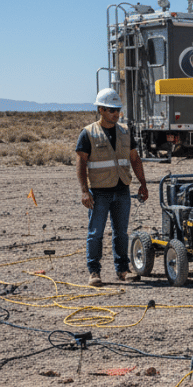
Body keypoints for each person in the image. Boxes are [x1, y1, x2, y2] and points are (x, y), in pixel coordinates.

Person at [75, 89, 149, 286]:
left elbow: (134, 159)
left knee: (121, 233)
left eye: (118, 110)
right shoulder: (88, 133)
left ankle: (123, 270)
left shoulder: (125, 132)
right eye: (112, 110)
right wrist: (84, 191)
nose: (116, 114)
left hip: (122, 189)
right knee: (95, 233)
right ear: (101, 109)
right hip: (99, 192)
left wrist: (143, 183)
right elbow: (81, 163)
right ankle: (94, 272)